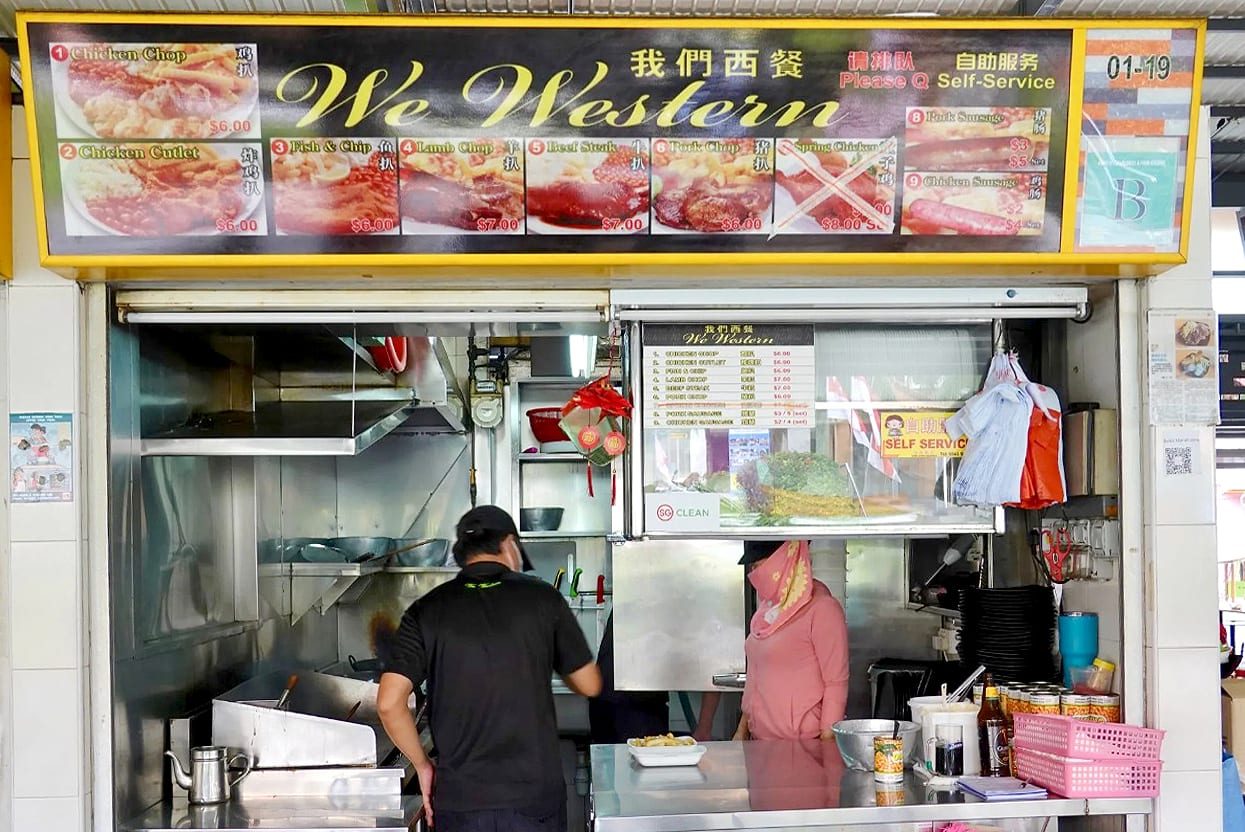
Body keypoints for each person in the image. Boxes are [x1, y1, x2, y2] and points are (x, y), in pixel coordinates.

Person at [377, 505, 602, 832]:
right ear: (509, 544)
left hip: (460, 803)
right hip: (533, 800)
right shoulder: (543, 599)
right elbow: (590, 684)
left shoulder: (426, 609)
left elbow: (388, 703)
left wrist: (423, 765)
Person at [733, 540, 849, 742]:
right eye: (752, 567)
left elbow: (836, 683)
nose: (754, 573)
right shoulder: (767, 610)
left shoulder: (823, 609)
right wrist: (741, 732)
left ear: (786, 558)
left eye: (759, 565)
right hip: (759, 744)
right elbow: (756, 677)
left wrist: (826, 748)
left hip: (804, 746)